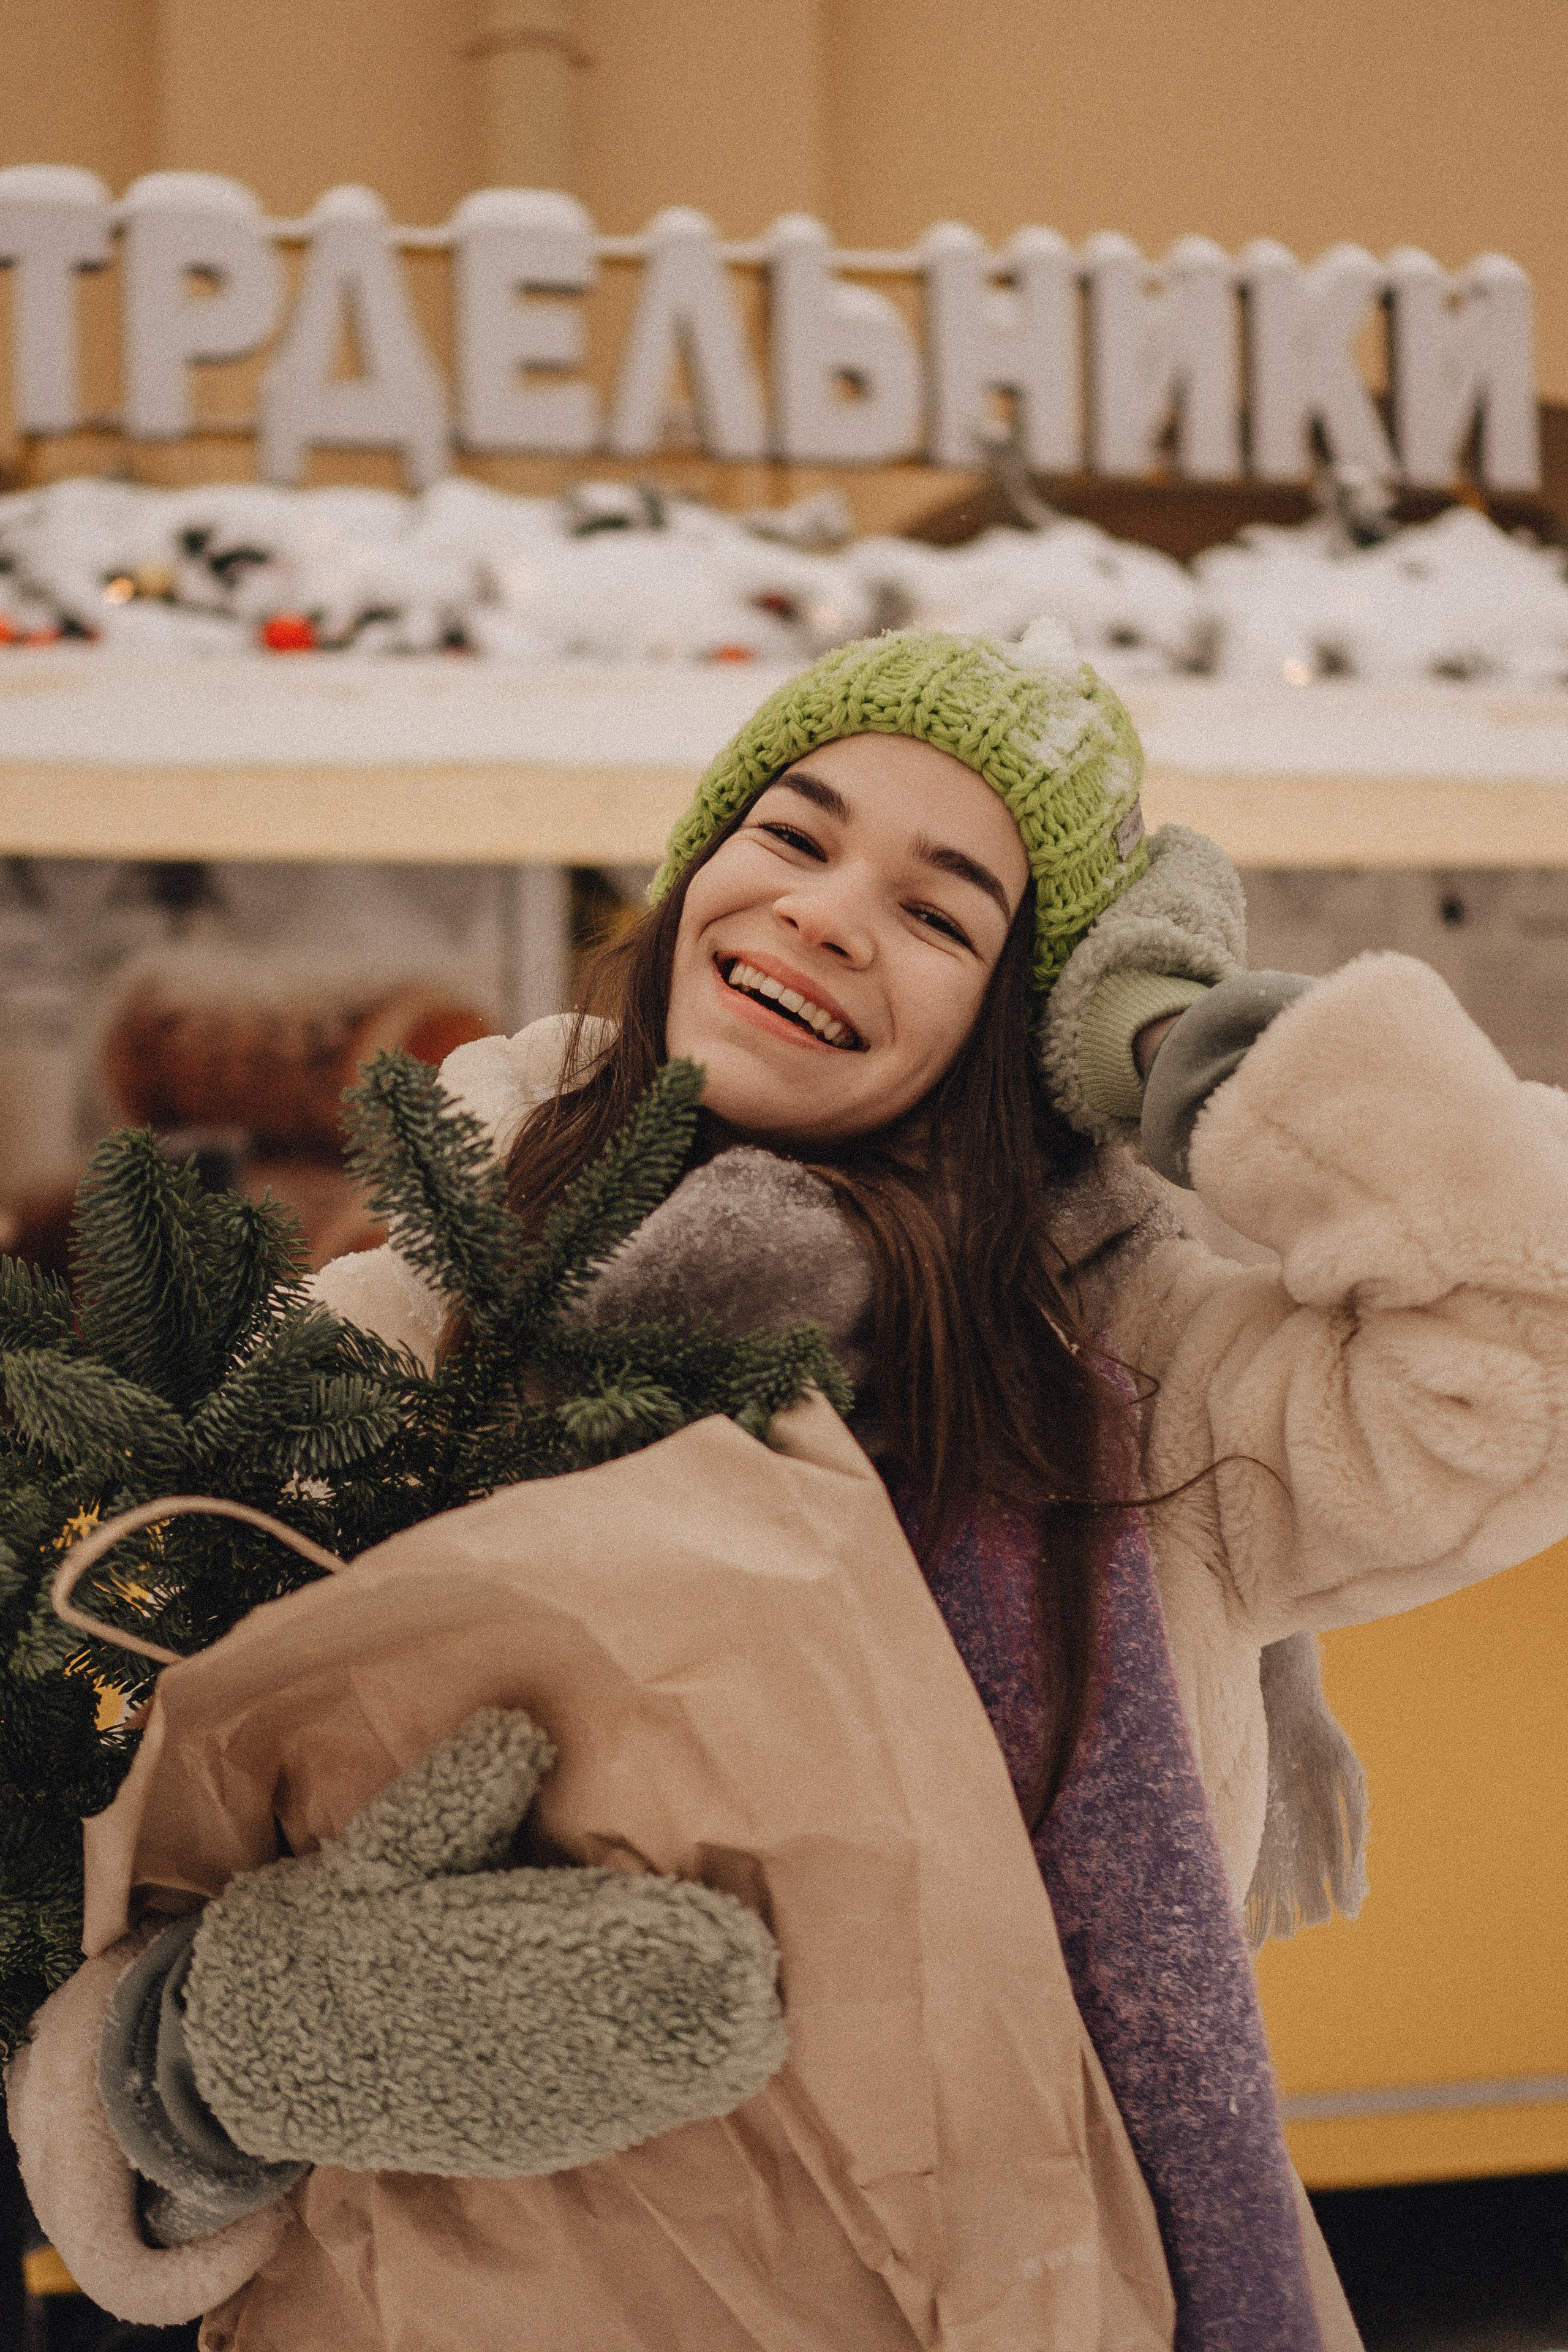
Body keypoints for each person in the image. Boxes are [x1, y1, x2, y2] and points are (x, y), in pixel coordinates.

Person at [13, 625, 1568, 2351]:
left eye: (941, 912)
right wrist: (205, 2063)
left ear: (1028, 1022)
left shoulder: (1140, 1394)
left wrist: (1185, 1044)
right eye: (796, 836)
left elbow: (1527, 1338)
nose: (826, 914)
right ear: (695, 877)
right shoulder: (410, 1325)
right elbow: (73, 1816)